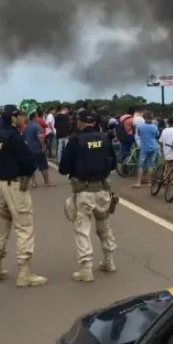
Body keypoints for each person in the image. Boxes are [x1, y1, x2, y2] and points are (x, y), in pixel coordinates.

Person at [0, 105, 48, 287]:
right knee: (24, 227)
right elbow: (28, 162)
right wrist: (28, 170)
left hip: (0, 185)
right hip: (16, 186)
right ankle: (24, 273)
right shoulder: (14, 137)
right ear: (13, 118)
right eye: (20, 116)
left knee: (2, 227)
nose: (23, 119)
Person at [58, 109, 119, 283]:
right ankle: (109, 261)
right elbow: (113, 164)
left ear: (80, 122)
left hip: (83, 192)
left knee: (82, 229)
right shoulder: (106, 139)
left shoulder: (75, 141)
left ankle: (86, 269)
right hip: (102, 190)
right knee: (104, 226)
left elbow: (63, 169)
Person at [23, 111, 55, 187]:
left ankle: (33, 183)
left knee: (31, 167)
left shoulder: (26, 127)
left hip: (29, 150)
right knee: (43, 166)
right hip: (37, 149)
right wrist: (43, 147)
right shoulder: (36, 126)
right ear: (34, 117)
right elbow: (40, 137)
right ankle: (47, 182)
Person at [133, 112, 159, 189]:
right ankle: (149, 183)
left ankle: (138, 182)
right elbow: (156, 135)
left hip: (144, 147)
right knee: (151, 165)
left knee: (141, 165)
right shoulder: (155, 127)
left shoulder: (140, 127)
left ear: (144, 118)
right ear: (152, 118)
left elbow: (139, 135)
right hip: (153, 146)